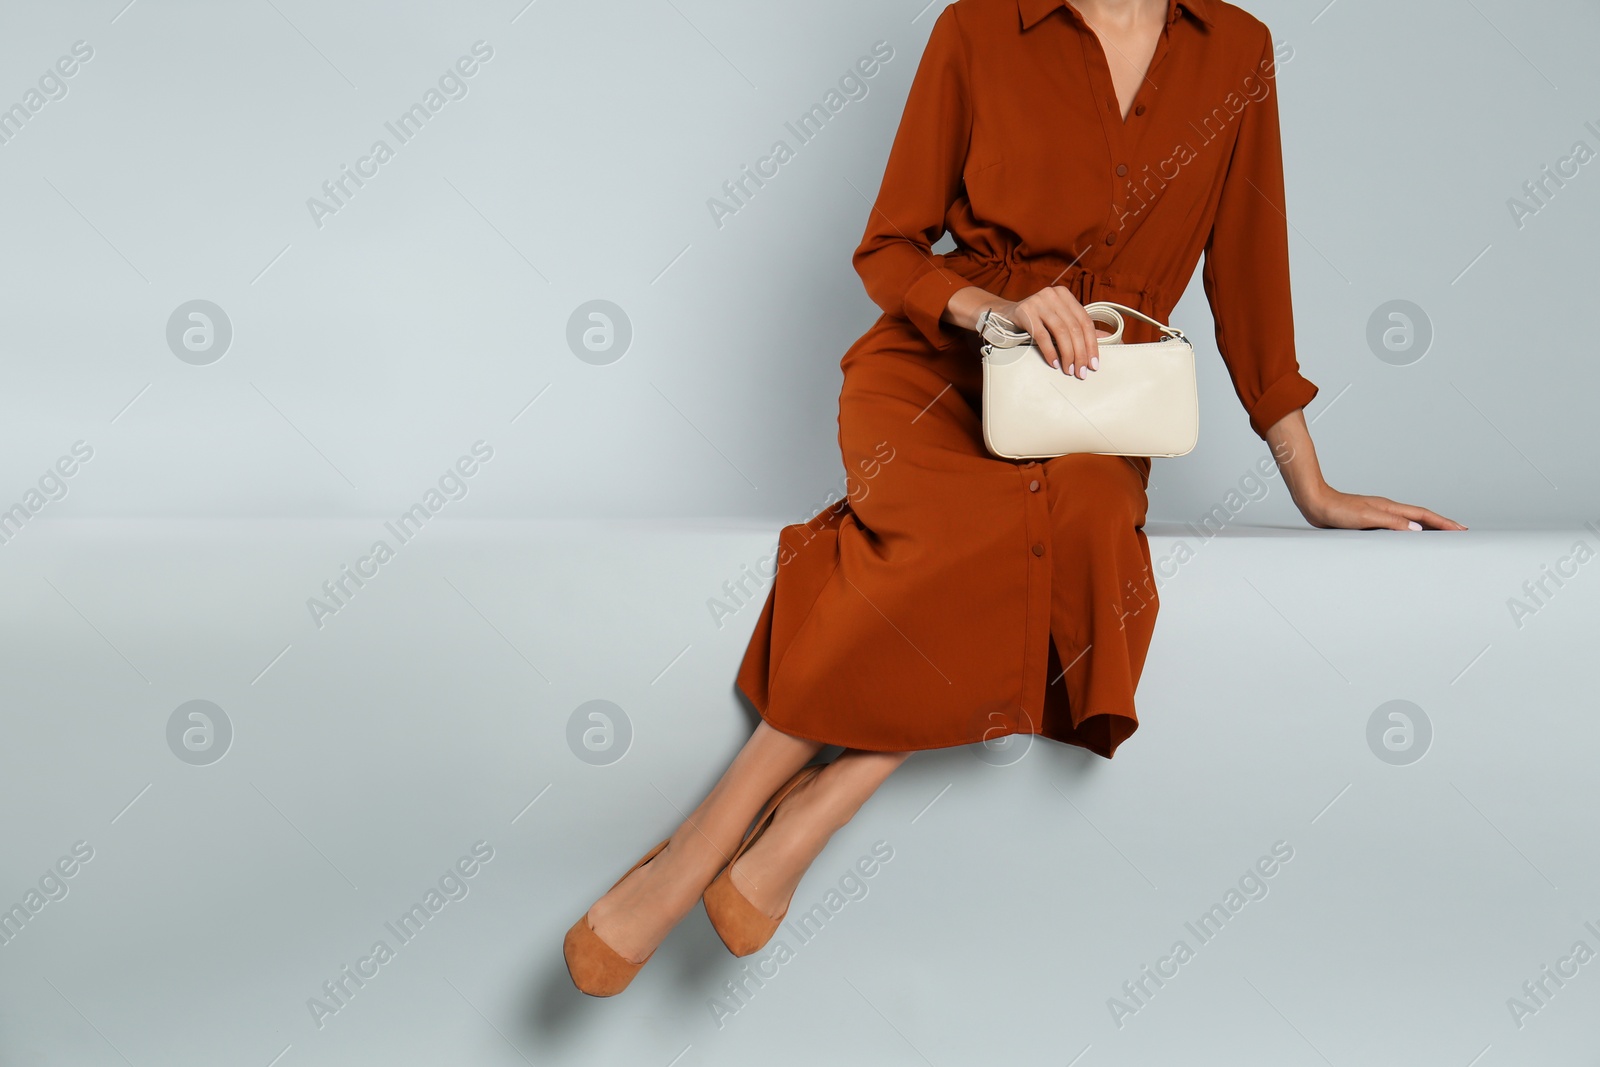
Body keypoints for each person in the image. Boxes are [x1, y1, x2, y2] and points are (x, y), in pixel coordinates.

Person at [563, 0, 1465, 996]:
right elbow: (889, 249)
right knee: (958, 530)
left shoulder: (1237, 50)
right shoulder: (977, 28)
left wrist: (1310, 482)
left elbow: (1250, 272)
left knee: (1075, 522)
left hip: (1093, 399)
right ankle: (713, 836)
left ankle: (814, 801)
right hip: (935, 371)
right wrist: (999, 307)